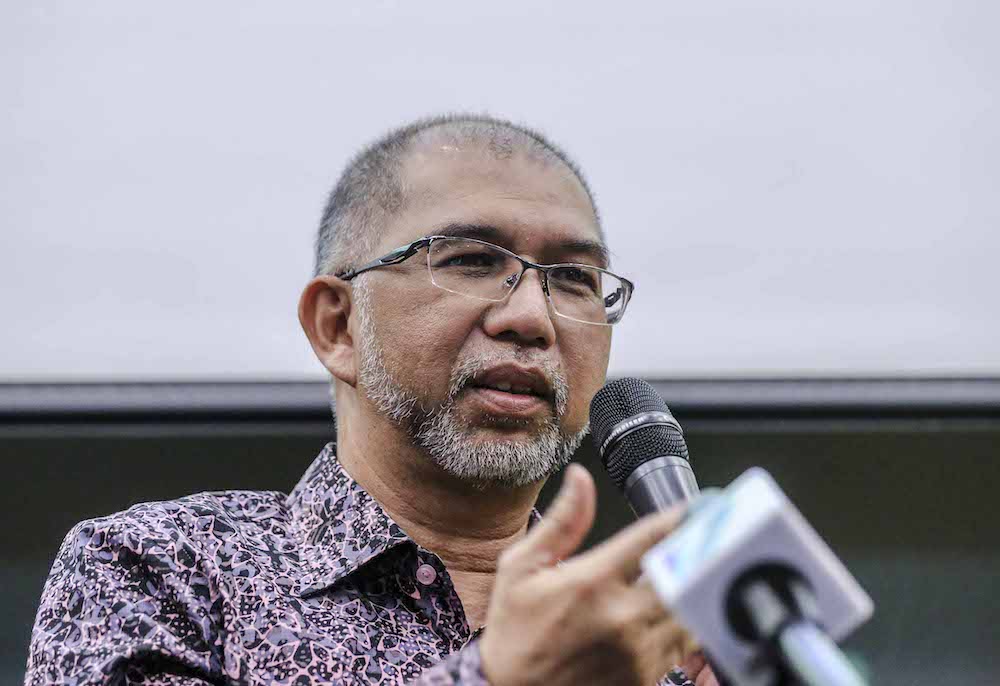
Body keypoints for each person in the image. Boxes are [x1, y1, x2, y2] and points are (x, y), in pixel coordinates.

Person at [25, 115, 718, 685]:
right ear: (337, 325)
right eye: (472, 260)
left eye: (572, 278)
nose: (532, 318)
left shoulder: (655, 645)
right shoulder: (163, 570)